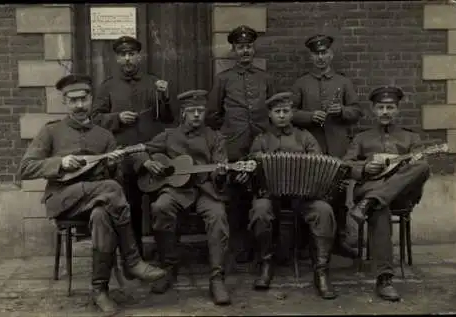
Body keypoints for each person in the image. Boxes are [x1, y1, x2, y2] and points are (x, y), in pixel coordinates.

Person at [18, 74, 166, 313]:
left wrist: (111, 165)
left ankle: (100, 290)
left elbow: (113, 179)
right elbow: (25, 168)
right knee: (112, 190)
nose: (79, 105)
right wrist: (60, 163)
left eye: (83, 99)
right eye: (73, 100)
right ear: (65, 102)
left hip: (98, 200)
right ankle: (132, 260)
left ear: (90, 100)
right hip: (63, 198)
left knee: (102, 216)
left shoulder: (104, 136)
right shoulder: (51, 132)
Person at [132, 90, 232, 305]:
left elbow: (219, 170)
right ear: (183, 113)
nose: (196, 115)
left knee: (218, 215)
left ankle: (217, 277)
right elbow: (138, 150)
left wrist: (221, 173)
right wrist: (147, 162)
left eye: (201, 111)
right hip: (177, 189)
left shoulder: (215, 137)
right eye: (192, 111)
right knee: (160, 207)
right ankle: (168, 266)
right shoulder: (169, 136)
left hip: (205, 189)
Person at [244, 92, 338, 299]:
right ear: (270, 115)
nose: (282, 116)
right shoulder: (261, 140)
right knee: (260, 211)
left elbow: (319, 164)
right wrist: (256, 163)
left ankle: (321, 271)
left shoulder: (305, 137)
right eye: (277, 112)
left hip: (304, 197)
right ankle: (266, 264)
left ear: (292, 113)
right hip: (270, 196)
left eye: (286, 111)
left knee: (324, 211)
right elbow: (250, 170)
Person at [344, 86, 431, 302]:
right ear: (373, 110)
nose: (385, 112)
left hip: (399, 194)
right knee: (380, 207)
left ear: (397, 110)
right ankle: (384, 278)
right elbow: (346, 165)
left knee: (422, 166)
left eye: (390, 107)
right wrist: (364, 167)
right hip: (369, 187)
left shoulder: (410, 138)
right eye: (381, 107)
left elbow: (420, 169)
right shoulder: (362, 138)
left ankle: (371, 202)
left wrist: (406, 165)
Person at [90, 35, 175, 257]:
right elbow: (94, 118)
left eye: (131, 54)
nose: (127, 59)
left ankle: (164, 252)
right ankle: (134, 254)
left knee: (160, 203)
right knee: (130, 205)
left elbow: (166, 118)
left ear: (139, 56)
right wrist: (117, 118)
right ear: (117, 58)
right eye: (122, 54)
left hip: (153, 152)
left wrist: (164, 97)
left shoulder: (153, 82)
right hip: (125, 154)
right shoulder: (107, 86)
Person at [206, 25, 277, 263]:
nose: (245, 51)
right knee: (236, 197)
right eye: (240, 47)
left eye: (248, 46)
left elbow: (273, 110)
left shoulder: (265, 78)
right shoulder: (223, 79)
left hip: (260, 144)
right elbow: (213, 114)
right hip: (235, 145)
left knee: (261, 191)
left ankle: (262, 246)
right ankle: (240, 246)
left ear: (253, 48)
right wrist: (229, 133)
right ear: (233, 50)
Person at [291, 34, 363, 259]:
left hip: (338, 146)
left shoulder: (343, 82)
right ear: (310, 57)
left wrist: (341, 111)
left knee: (339, 195)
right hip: (310, 149)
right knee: (309, 193)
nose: (320, 57)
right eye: (316, 54)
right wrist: (310, 116)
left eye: (324, 53)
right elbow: (289, 114)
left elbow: (357, 112)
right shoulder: (301, 83)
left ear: (331, 54)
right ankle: (307, 241)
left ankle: (339, 240)